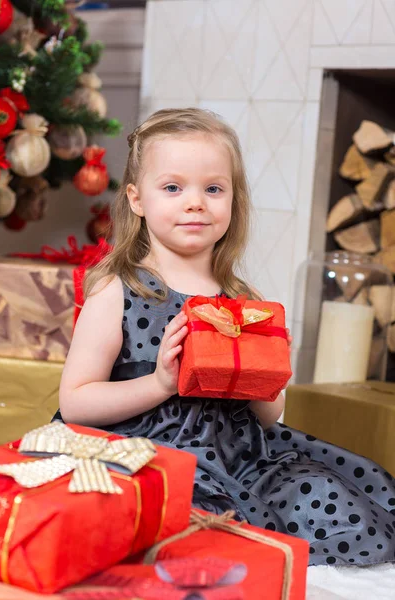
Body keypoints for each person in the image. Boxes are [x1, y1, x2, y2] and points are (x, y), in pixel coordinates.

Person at [57, 108, 395, 566]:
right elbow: (76, 402)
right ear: (137, 199)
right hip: (148, 452)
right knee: (189, 522)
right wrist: (160, 383)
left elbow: (271, 418)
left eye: (213, 189)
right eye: (173, 187)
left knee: (333, 493)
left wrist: (268, 377)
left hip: (242, 456)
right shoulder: (121, 290)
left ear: (233, 201)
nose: (196, 202)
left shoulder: (244, 300)